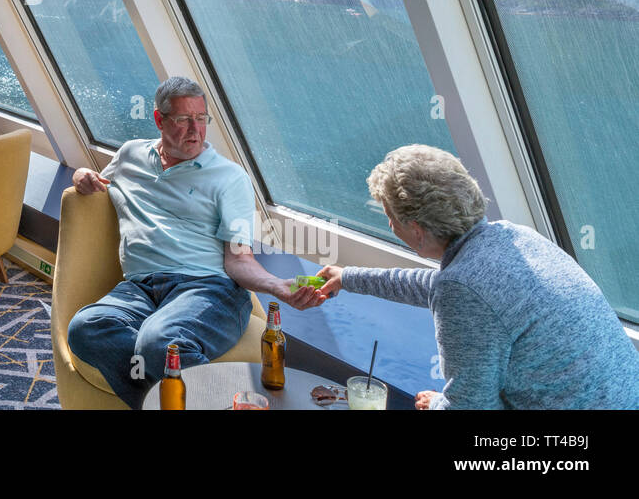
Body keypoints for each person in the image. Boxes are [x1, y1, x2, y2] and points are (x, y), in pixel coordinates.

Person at [316, 144, 639, 409]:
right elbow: (441, 287)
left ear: (416, 229)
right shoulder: (513, 236)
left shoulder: (462, 287)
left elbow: (470, 410)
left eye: (390, 217)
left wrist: (443, 404)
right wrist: (348, 277)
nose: (389, 226)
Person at [66, 76, 323, 409]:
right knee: (85, 328)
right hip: (140, 290)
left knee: (159, 342)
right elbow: (96, 178)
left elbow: (239, 259)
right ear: (159, 120)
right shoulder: (130, 155)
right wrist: (80, 176)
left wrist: (278, 287)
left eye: (201, 119)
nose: (195, 129)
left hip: (210, 290)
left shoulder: (230, 178)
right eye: (183, 119)